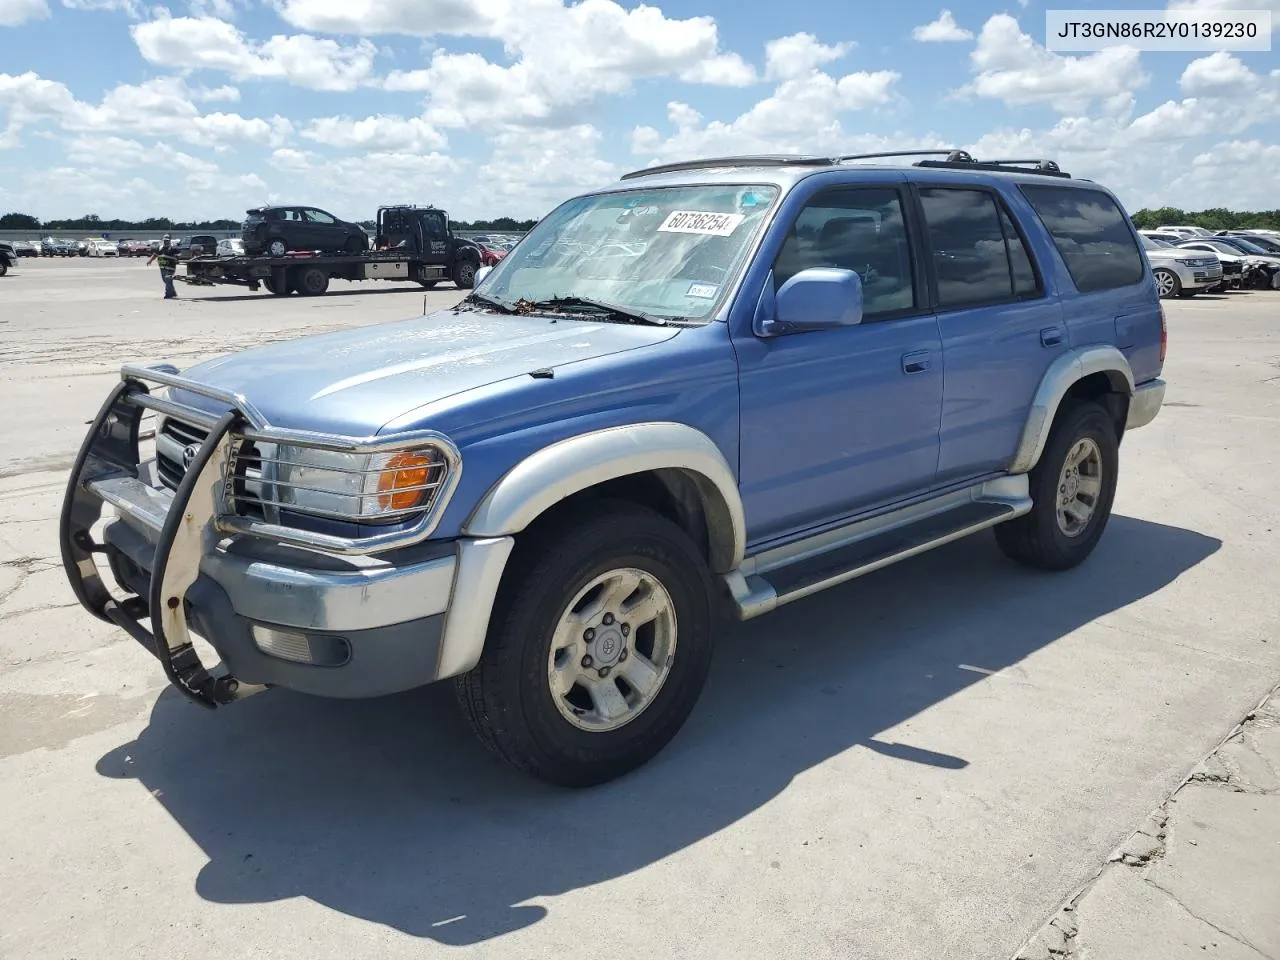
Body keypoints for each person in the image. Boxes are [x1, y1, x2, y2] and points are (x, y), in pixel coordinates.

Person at [146, 235, 178, 299]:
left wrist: (177, 259)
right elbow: (155, 255)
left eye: (167, 241)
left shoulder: (173, 249)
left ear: (169, 241)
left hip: (170, 268)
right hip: (162, 268)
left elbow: (179, 255)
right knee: (166, 281)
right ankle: (173, 292)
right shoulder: (160, 248)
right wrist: (150, 261)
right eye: (165, 241)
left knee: (168, 280)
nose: (166, 242)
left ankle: (168, 294)